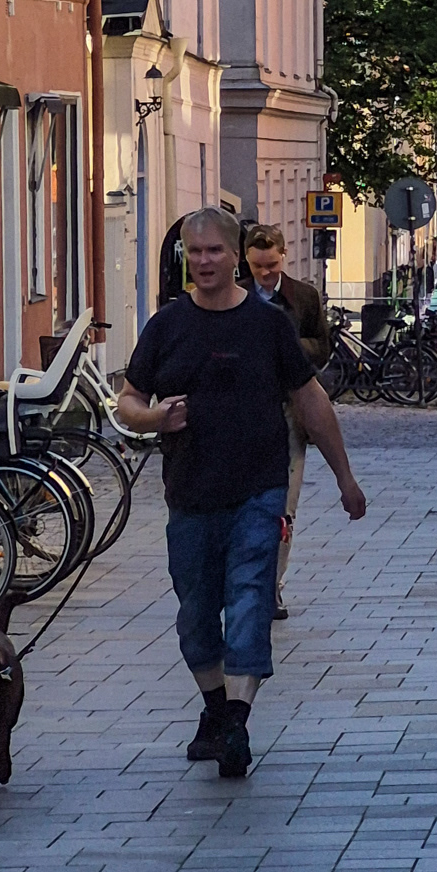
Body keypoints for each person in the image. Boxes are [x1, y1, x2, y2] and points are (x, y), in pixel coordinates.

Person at [116, 206, 365, 780]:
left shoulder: (267, 324)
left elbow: (310, 402)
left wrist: (344, 478)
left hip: (259, 487)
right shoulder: (167, 326)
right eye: (194, 252)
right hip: (190, 494)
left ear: (237, 258)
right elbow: (129, 400)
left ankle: (237, 720)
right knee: (196, 615)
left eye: (215, 252)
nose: (204, 262)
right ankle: (215, 710)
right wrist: (153, 419)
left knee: (251, 597)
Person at [243, 222, 331, 621]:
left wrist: (286, 346)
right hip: (241, 418)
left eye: (273, 264)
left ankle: (272, 586)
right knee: (243, 505)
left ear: (284, 255)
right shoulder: (234, 297)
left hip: (289, 414)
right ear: (246, 260)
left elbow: (323, 347)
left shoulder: (304, 297)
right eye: (259, 266)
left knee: (285, 507)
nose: (266, 273)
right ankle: (244, 582)